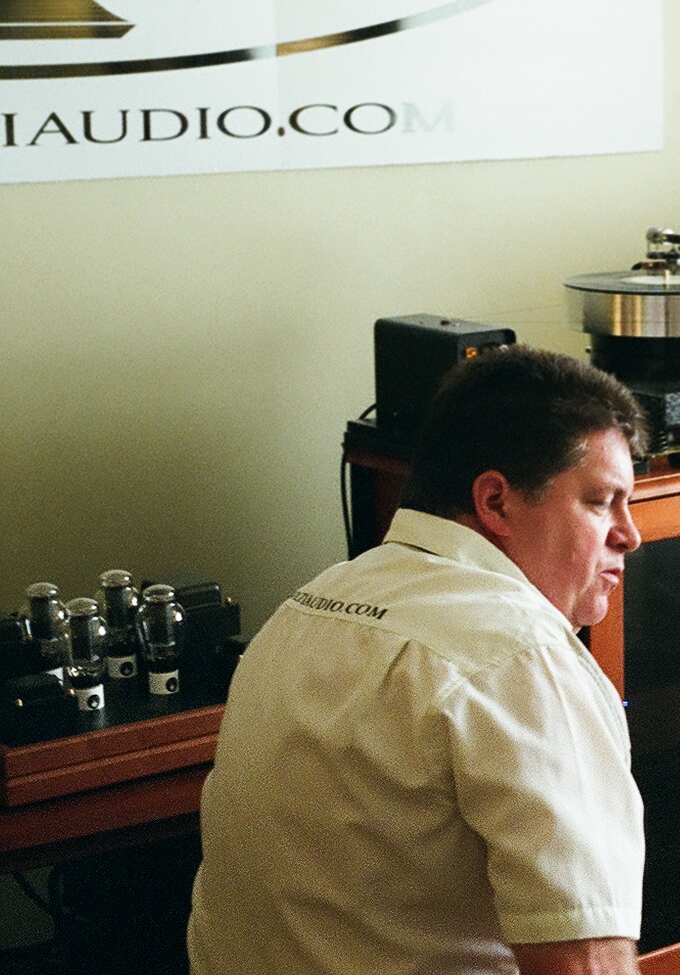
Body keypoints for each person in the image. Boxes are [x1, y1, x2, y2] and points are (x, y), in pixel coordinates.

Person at [187, 344, 649, 975]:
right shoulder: (520, 655)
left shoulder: (305, 607)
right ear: (496, 502)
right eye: (600, 501)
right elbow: (584, 963)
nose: (630, 534)